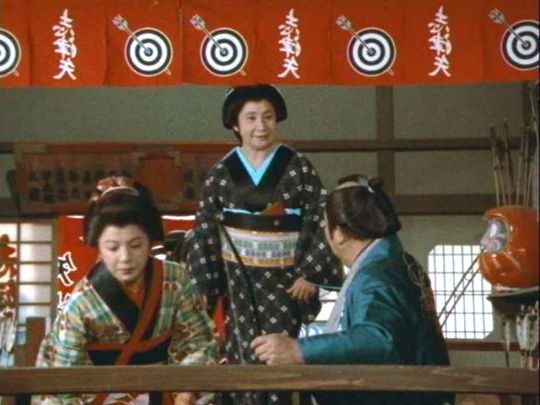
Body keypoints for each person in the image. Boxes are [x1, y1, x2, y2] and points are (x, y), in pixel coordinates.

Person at [188, 84, 342, 404]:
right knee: (241, 356)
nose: (261, 126)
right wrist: (204, 287)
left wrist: (311, 274)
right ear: (235, 124)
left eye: (268, 117)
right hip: (239, 283)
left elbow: (321, 219)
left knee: (283, 361)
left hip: (286, 284)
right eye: (251, 118)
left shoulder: (298, 167)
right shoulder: (221, 173)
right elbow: (204, 232)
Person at [251, 175, 453, 405]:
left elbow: (378, 339)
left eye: (326, 225)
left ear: (338, 233)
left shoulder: (377, 274)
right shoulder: (398, 261)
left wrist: (299, 350)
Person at [34, 176, 218, 405]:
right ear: (98, 246)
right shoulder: (81, 303)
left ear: (150, 241)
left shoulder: (175, 279)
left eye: (135, 245)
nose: (125, 258)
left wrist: (186, 389)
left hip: (167, 394)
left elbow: (199, 341)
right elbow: (63, 381)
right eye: (113, 247)